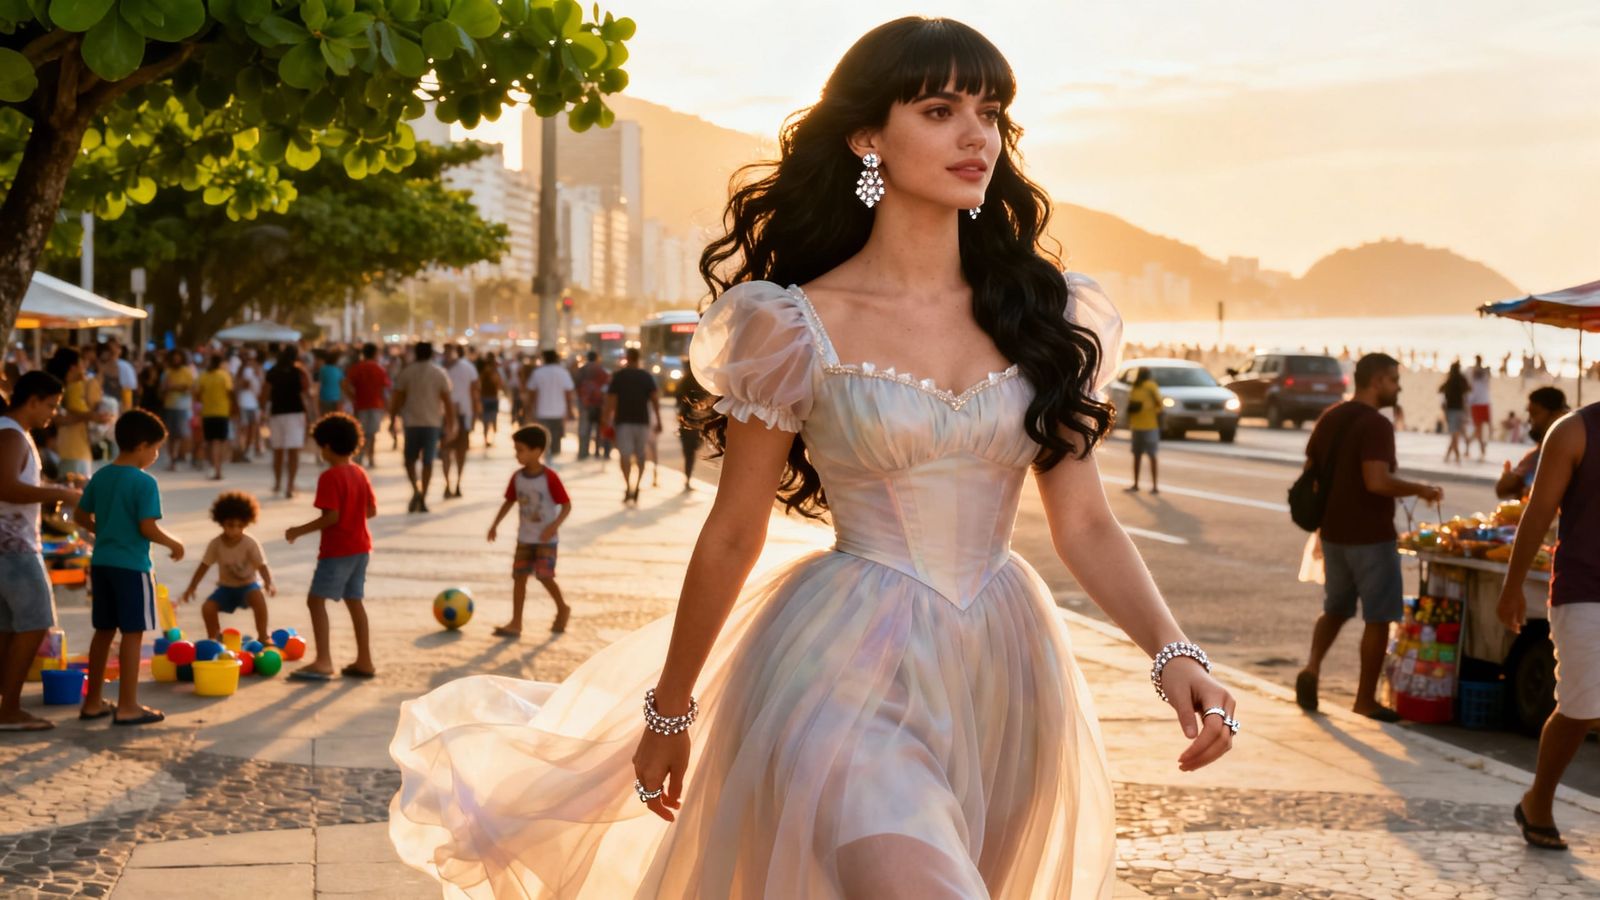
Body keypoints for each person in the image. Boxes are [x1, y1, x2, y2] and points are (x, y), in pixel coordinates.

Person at [391, 19, 1237, 897]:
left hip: (1009, 670)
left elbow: (1086, 523)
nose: (976, 135)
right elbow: (733, 530)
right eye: (940, 110)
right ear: (868, 137)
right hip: (843, 665)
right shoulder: (788, 324)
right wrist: (670, 711)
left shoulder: (1045, 318)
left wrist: (1174, 654)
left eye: (989, 112)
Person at [1296, 353, 1444, 721]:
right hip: (1370, 535)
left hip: (1332, 532)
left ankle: (1312, 667)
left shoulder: (1330, 417)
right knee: (1379, 617)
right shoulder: (1376, 424)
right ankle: (1365, 700)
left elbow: (1313, 470)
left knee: (1335, 608)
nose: (1398, 387)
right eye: (1394, 380)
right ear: (1377, 381)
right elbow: (1376, 481)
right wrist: (1420, 489)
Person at [1497, 401, 1599, 851]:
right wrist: (1512, 587)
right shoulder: (1574, 430)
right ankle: (1538, 800)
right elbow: (1538, 512)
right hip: (1585, 590)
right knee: (1579, 708)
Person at [73, 410, 184, 726]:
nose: (156, 456)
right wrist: (173, 543)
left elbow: (80, 516)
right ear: (142, 445)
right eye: (156, 449)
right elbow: (147, 527)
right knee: (133, 634)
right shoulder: (144, 482)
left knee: (103, 631)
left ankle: (92, 702)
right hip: (133, 567)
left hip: (102, 564)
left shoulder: (101, 476)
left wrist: (105, 531)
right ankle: (128, 706)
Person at [0, 372, 78, 732]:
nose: (52, 414)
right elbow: (7, 487)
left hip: (11, 546)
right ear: (32, 401)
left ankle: (6, 703)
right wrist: (58, 494)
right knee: (35, 621)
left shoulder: (14, 433)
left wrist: (56, 488)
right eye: (50, 405)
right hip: (13, 548)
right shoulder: (12, 433)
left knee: (8, 626)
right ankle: (10, 709)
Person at [285, 413, 377, 681]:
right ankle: (365, 660)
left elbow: (331, 517)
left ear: (326, 446)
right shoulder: (359, 472)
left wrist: (297, 531)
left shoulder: (330, 477)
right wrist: (353, 515)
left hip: (338, 550)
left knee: (315, 601)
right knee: (355, 601)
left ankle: (323, 660)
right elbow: (371, 510)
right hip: (361, 547)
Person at [486, 425, 572, 637]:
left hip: (546, 540)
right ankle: (516, 622)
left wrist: (553, 527)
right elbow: (509, 502)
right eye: (516, 450)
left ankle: (562, 607)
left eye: (521, 450)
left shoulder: (549, 477)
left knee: (544, 577)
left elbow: (566, 505)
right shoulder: (517, 477)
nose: (517, 455)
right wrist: (495, 525)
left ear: (537, 451)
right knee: (519, 578)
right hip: (524, 538)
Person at [180, 491, 274, 641]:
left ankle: (263, 636)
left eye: (240, 526)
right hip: (226, 588)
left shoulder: (250, 543)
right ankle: (214, 638)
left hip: (248, 586)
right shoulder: (216, 544)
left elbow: (262, 565)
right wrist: (192, 587)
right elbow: (204, 566)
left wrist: (268, 583)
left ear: (246, 523)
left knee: (258, 598)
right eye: (230, 525)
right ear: (222, 522)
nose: (234, 530)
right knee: (208, 608)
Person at [391, 342, 455, 513]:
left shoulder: (407, 372)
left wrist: (392, 419)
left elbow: (397, 399)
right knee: (428, 461)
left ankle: (416, 489)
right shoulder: (439, 373)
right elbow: (447, 401)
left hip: (411, 422)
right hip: (432, 423)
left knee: (409, 460)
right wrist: (451, 424)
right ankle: (423, 494)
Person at [603, 347, 658, 505]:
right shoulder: (646, 376)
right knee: (640, 454)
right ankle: (637, 485)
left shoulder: (619, 376)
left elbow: (611, 400)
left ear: (627, 358)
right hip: (642, 420)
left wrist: (606, 419)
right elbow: (654, 399)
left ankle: (628, 486)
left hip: (623, 421)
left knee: (625, 455)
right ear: (638, 358)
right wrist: (659, 420)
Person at [46, 348, 108, 482]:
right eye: (82, 362)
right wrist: (90, 416)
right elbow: (59, 419)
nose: (85, 366)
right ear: (73, 367)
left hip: (78, 450)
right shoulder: (59, 390)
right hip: (70, 451)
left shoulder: (77, 387)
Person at [1495, 387, 1569, 501]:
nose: (1530, 421)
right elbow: (1504, 489)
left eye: (1534, 414)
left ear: (1557, 414)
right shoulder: (1536, 454)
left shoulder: (1571, 450)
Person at [265, 346, 313, 498]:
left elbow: (265, 392)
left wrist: (263, 411)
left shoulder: (272, 371)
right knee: (293, 452)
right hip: (295, 413)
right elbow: (307, 394)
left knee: (278, 451)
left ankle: (277, 483)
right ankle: (290, 486)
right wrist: (311, 415)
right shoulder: (299, 372)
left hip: (277, 413)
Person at [440, 344, 479, 498]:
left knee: (454, 452)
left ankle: (454, 484)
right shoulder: (466, 367)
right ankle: (451, 484)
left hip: (455, 414)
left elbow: (474, 391)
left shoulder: (443, 367)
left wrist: (474, 413)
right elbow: (475, 391)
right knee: (452, 452)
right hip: (452, 414)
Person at [345, 342, 391, 469]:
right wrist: (387, 407)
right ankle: (371, 457)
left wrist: (353, 397)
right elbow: (384, 389)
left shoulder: (357, 368)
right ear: (375, 353)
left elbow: (345, 384)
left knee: (361, 432)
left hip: (360, 405)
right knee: (372, 433)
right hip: (376, 405)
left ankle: (360, 456)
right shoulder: (380, 369)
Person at [525, 350, 576, 459]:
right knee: (556, 438)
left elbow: (531, 393)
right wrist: (570, 410)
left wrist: (529, 410)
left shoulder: (538, 373)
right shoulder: (563, 373)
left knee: (542, 438)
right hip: (559, 411)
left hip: (542, 411)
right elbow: (568, 393)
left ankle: (546, 458)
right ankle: (554, 458)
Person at [1125, 365, 1162, 494]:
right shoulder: (1146, 386)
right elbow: (1159, 403)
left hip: (1142, 425)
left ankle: (1141, 485)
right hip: (1146, 425)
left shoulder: (1139, 386)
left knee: (1140, 456)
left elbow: (1130, 404)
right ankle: (1150, 486)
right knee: (1147, 456)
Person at [197, 354, 234, 481]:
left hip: (207, 412)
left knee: (209, 441)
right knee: (219, 442)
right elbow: (230, 392)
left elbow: (197, 394)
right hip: (222, 412)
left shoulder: (204, 376)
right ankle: (218, 469)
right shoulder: (224, 375)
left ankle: (212, 467)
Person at [160, 350, 196, 471]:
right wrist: (171, 388)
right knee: (170, 435)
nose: (176, 361)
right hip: (169, 406)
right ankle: (173, 459)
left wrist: (175, 387)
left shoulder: (187, 372)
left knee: (182, 434)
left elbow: (192, 388)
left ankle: (181, 456)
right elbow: (162, 389)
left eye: (178, 358)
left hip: (183, 407)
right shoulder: (167, 372)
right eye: (174, 358)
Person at [574, 351, 611, 460]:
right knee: (600, 429)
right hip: (600, 403)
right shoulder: (602, 370)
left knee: (584, 429)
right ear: (597, 358)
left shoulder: (581, 370)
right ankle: (599, 452)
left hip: (585, 403)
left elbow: (576, 385)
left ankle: (583, 452)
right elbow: (607, 385)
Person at [675, 368, 706, 490]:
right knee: (692, 452)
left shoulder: (683, 385)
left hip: (685, 422)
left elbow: (678, 401)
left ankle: (687, 478)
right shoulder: (702, 386)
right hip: (698, 422)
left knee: (688, 453)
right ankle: (688, 478)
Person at [234, 348, 264, 461]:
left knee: (252, 428)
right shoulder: (242, 370)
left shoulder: (257, 370)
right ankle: (241, 451)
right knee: (244, 429)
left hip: (253, 403)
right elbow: (240, 384)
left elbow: (260, 386)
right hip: (243, 403)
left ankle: (247, 450)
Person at [1439, 361, 1469, 463]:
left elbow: (1440, 390)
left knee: (1454, 434)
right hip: (1459, 410)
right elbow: (1468, 390)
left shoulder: (1449, 381)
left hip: (1450, 411)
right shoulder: (1461, 380)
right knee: (1455, 434)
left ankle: (1453, 456)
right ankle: (1454, 456)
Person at [1468, 354, 1492, 460]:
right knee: (1479, 429)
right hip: (1479, 403)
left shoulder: (1480, 372)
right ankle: (1481, 448)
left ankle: (1470, 443)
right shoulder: (1476, 372)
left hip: (1481, 403)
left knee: (1481, 429)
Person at [479, 352, 505, 448]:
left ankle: (487, 439)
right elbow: (499, 384)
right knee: (492, 418)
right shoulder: (493, 372)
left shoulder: (484, 370)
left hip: (486, 397)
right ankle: (490, 438)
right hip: (491, 397)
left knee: (487, 420)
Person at [316, 349, 346, 417]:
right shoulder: (338, 370)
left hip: (323, 397)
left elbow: (320, 382)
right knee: (335, 418)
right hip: (335, 398)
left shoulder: (322, 369)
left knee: (324, 418)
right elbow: (343, 385)